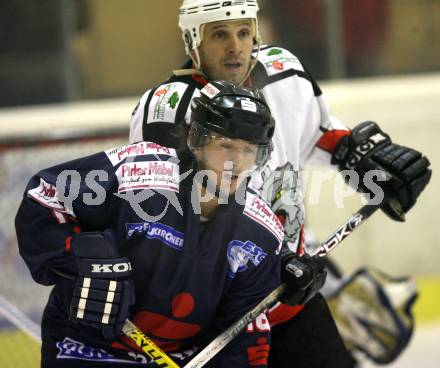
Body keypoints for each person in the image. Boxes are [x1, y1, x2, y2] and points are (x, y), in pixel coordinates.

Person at [128, 1, 432, 366]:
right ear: (193, 42)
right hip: (215, 319)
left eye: (243, 33)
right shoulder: (168, 110)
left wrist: (368, 164)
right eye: (220, 35)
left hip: (290, 300)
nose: (235, 46)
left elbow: (324, 137)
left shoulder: (284, 75)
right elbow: (165, 222)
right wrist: (269, 260)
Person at [14, 81, 308, 367]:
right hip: (86, 349)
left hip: (183, 359)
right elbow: (45, 196)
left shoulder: (261, 233)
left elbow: (241, 329)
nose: (237, 163)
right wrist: (78, 257)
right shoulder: (137, 171)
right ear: (197, 141)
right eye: (226, 146)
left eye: (248, 150)